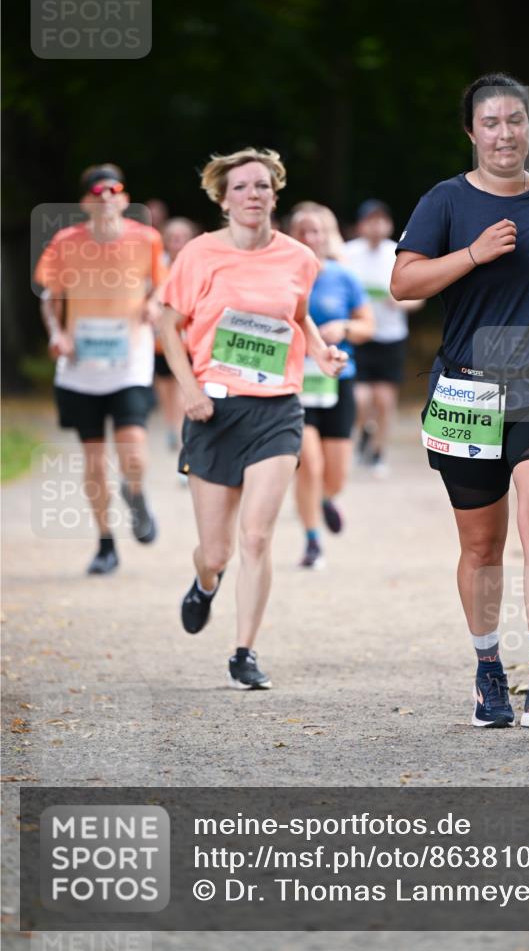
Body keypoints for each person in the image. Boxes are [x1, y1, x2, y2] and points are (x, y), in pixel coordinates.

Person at [391, 73, 529, 731]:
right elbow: (403, 282)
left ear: (528, 127)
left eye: (514, 121)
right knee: (480, 546)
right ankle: (487, 673)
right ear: (470, 133)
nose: (503, 134)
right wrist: (472, 255)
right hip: (469, 389)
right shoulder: (445, 202)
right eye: (490, 123)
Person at [159, 147, 347, 689]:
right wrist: (190, 390)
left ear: (275, 193)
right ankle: (204, 582)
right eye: (240, 188)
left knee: (258, 537)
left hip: (277, 410)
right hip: (213, 410)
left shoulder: (298, 257)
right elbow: (169, 326)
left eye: (261, 186)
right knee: (215, 551)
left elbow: (297, 313)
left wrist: (318, 352)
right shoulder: (198, 254)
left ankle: (244, 652)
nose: (252, 196)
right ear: (223, 198)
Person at [35, 164, 164, 575]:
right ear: (85, 202)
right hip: (81, 366)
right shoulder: (65, 241)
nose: (106, 195)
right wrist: (58, 333)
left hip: (129, 360)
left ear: (125, 199)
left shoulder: (147, 239)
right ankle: (105, 542)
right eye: (97, 190)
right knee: (93, 460)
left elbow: (162, 285)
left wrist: (152, 303)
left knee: (133, 453)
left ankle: (136, 493)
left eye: (115, 189)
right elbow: (50, 297)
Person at [288, 205, 374, 569]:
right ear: (292, 236)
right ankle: (311, 540)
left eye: (316, 231)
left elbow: (368, 326)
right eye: (303, 231)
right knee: (309, 462)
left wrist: (345, 329)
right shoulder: (281, 276)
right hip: (294, 385)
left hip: (338, 381)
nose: (310, 238)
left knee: (336, 473)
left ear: (327, 236)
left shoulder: (343, 277)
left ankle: (326, 499)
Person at [344, 200, 423, 475]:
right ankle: (364, 431)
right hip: (359, 335)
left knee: (385, 401)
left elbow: (418, 297)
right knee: (361, 399)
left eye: (381, 220)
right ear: (360, 225)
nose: (375, 226)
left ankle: (378, 452)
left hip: (391, 337)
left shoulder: (398, 253)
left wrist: (399, 302)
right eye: (370, 220)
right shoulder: (348, 254)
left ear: (389, 224)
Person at [154, 218, 199, 452]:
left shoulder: (198, 266)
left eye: (182, 238)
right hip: (160, 342)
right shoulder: (157, 265)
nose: (177, 243)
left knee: (184, 390)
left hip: (189, 340)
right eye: (172, 238)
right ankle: (172, 427)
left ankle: (184, 438)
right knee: (166, 390)